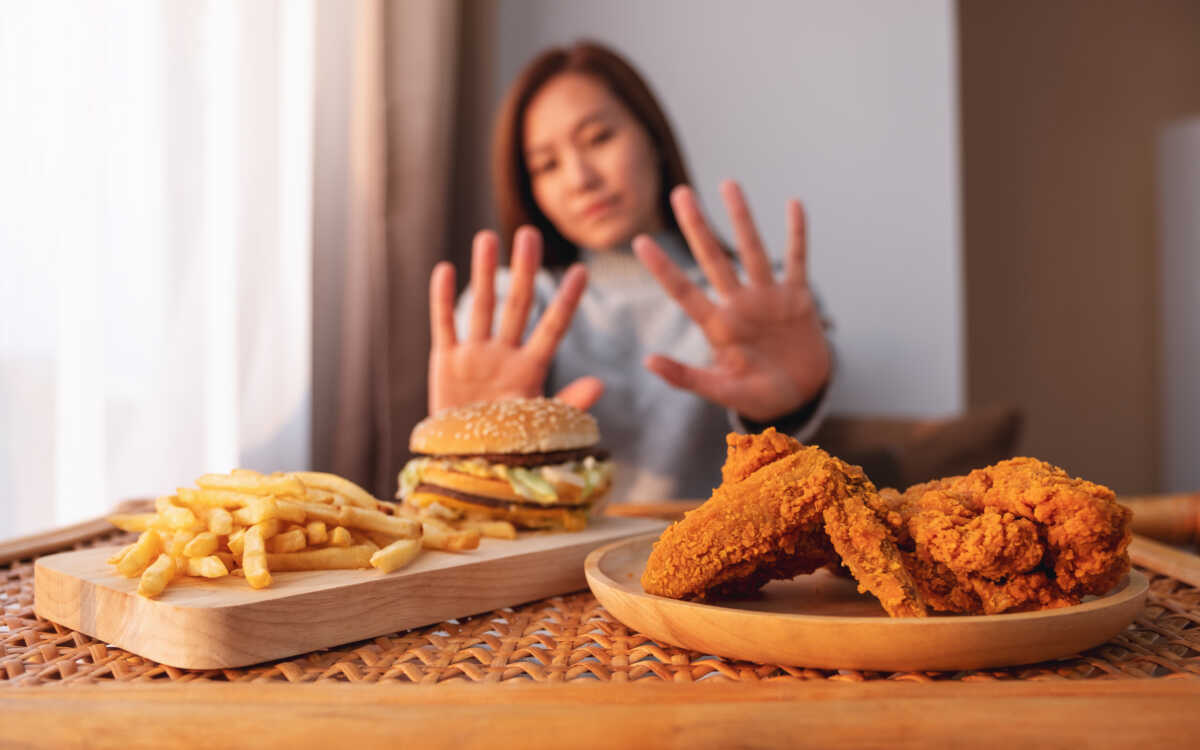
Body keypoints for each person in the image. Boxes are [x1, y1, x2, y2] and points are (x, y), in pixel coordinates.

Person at [426, 41, 833, 502]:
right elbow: (465, 503)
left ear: (653, 138)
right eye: (547, 165)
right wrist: (469, 450)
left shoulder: (761, 304)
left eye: (599, 138)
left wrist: (791, 409)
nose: (580, 178)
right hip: (551, 569)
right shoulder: (508, 306)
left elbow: (793, 488)